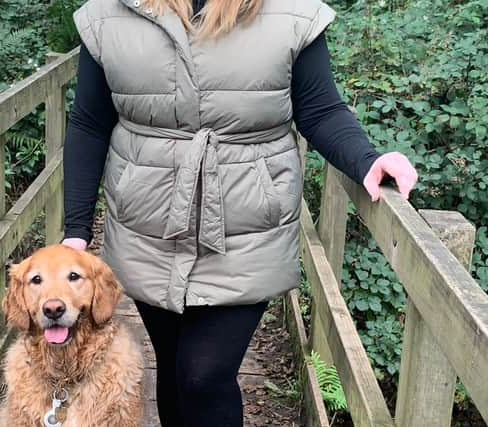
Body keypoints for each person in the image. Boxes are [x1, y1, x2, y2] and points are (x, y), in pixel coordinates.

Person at [61, 0, 418, 425]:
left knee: (203, 376)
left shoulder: (291, 12)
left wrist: (367, 160)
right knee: (175, 370)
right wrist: (76, 231)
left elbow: (320, 110)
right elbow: (89, 122)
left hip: (247, 228)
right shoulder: (110, 13)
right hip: (148, 226)